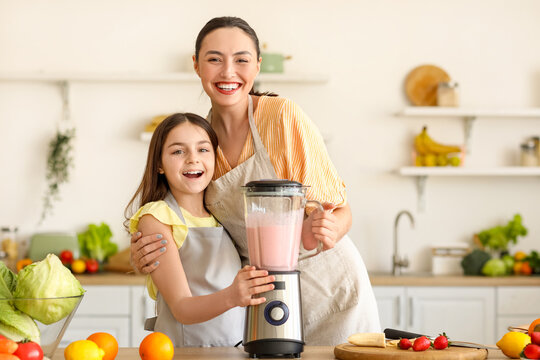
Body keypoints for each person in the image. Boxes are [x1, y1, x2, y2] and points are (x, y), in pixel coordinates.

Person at [131, 16, 381, 345]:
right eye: (214, 59)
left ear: (258, 66)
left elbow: (341, 210)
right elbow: (186, 224)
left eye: (241, 60)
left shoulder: (282, 116)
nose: (228, 72)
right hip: (261, 299)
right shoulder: (203, 146)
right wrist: (147, 255)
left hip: (331, 288)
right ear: (196, 65)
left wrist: (332, 226)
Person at [125, 113, 275, 347]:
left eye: (203, 150)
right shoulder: (158, 217)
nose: (192, 159)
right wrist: (233, 296)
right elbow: (182, 308)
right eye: (178, 151)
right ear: (159, 165)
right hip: (185, 353)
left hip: (233, 350)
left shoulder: (222, 214)